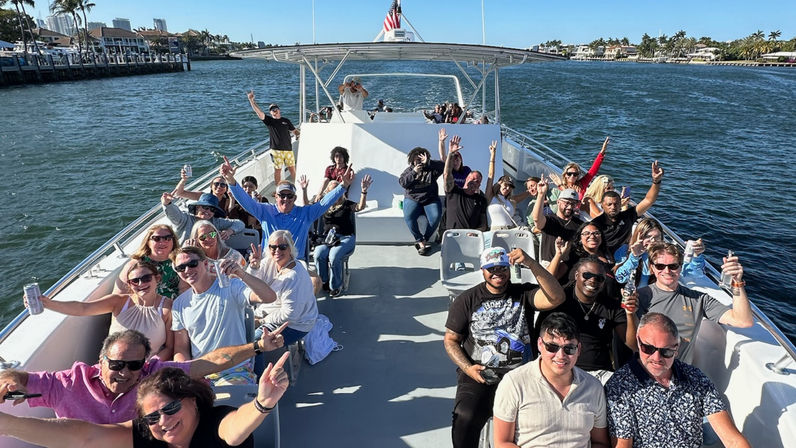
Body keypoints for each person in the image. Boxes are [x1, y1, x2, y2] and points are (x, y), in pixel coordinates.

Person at [0, 352, 290, 448]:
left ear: (191, 400)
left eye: (170, 408)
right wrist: (8, 424)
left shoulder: (217, 421)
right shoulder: (149, 434)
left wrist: (262, 403)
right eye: (151, 417)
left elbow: (236, 429)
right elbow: (84, 436)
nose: (162, 422)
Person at [0, 328, 285, 424]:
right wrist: (6, 379)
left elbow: (209, 362)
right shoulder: (67, 383)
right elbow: (20, 378)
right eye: (116, 364)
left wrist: (258, 346)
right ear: (100, 361)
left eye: (134, 365)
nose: (124, 373)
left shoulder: (155, 376)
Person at [444, 246, 565, 448]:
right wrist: (468, 368)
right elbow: (450, 340)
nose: (497, 273)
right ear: (482, 270)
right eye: (491, 269)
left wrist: (531, 263)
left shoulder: (523, 293)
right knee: (464, 418)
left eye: (502, 268)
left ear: (509, 268)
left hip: (523, 375)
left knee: (540, 422)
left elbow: (556, 298)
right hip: (480, 374)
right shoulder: (466, 300)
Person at [605, 313, 751, 448]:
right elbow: (622, 445)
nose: (656, 358)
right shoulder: (619, 387)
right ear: (638, 342)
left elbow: (733, 440)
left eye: (666, 352)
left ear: (677, 348)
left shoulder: (696, 378)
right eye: (648, 348)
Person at [493, 313, 610, 448]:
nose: (561, 356)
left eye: (569, 348)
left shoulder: (593, 387)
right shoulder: (514, 383)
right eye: (552, 347)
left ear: (579, 350)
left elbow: (600, 442)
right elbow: (502, 442)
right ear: (540, 344)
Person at [170, 246, 278, 384]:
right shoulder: (179, 303)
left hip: (234, 369)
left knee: (225, 403)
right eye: (181, 268)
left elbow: (269, 297)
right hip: (200, 372)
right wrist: (185, 372)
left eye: (192, 264)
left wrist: (241, 274)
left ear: (205, 263)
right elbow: (181, 348)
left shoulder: (231, 286)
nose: (187, 270)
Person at [636, 242, 753, 363]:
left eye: (673, 266)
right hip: (646, 369)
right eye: (660, 266)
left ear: (681, 267)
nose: (667, 270)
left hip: (679, 374)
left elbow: (743, 320)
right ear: (652, 268)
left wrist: (737, 283)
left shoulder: (699, 300)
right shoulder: (640, 297)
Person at [221, 155, 355, 260]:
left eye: (289, 196)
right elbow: (246, 202)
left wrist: (342, 186)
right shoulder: (265, 211)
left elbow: (324, 203)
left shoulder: (306, 214)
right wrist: (230, 180)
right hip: (270, 261)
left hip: (295, 263)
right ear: (276, 197)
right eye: (282, 195)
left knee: (315, 282)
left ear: (295, 198)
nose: (286, 199)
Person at [37, 259, 174, 360]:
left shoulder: (168, 308)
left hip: (146, 370)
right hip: (111, 365)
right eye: (135, 281)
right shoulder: (118, 302)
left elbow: (170, 347)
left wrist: (149, 366)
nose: (141, 284)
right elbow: (83, 308)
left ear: (157, 278)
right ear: (130, 285)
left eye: (146, 278)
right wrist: (48, 303)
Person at [536, 257, 637, 381]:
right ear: (576, 275)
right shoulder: (560, 299)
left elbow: (633, 344)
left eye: (599, 278)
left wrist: (630, 314)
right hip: (562, 368)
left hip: (598, 373)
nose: (593, 280)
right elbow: (540, 335)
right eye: (587, 275)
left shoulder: (611, 306)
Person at [247, 230, 319, 344]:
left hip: (295, 324)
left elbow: (290, 314)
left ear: (290, 248)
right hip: (267, 312)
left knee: (254, 343)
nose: (277, 251)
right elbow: (250, 287)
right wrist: (254, 268)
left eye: (282, 247)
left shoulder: (295, 276)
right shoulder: (268, 262)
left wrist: (261, 321)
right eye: (273, 247)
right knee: (234, 329)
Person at [313, 176, 372, 297]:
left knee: (334, 256)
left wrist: (364, 191)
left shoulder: (347, 204)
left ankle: (335, 285)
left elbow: (360, 207)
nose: (336, 193)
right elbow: (309, 207)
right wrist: (305, 190)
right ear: (328, 193)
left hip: (345, 237)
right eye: (332, 191)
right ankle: (323, 280)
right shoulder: (324, 205)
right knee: (318, 254)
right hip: (328, 239)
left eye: (338, 190)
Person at [591, 160, 665, 256]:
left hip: (625, 256)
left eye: (616, 204)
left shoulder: (627, 216)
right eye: (609, 204)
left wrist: (656, 181)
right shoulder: (596, 224)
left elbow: (648, 200)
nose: (613, 207)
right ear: (602, 206)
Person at [114, 224, 185, 300]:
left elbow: (184, 289)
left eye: (167, 238)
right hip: (146, 308)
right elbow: (119, 297)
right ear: (148, 242)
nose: (162, 242)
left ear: (173, 241)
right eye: (156, 238)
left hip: (175, 305)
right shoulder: (134, 265)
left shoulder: (179, 261)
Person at [398, 145, 445, 255]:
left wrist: (428, 163)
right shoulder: (409, 170)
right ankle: (419, 240)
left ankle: (424, 239)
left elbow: (443, 166)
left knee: (436, 217)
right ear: (412, 160)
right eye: (417, 160)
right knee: (409, 217)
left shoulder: (432, 168)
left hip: (430, 199)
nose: (419, 162)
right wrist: (414, 172)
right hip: (413, 198)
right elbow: (402, 182)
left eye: (421, 159)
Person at [247, 90, 300, 185]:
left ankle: (297, 186)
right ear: (270, 113)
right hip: (276, 151)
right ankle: (278, 188)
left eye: (275, 108)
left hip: (288, 149)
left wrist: (298, 134)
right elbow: (259, 113)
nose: (274, 110)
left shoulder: (286, 121)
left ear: (279, 110)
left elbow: (294, 130)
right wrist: (252, 101)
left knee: (292, 169)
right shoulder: (269, 121)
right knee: (278, 171)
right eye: (272, 109)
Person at [530, 175, 584, 265]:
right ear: (558, 202)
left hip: (570, 265)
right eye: (566, 203)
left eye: (573, 204)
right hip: (549, 264)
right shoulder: (550, 220)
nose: (570, 207)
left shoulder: (579, 224)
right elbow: (536, 219)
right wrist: (541, 194)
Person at [161, 191, 245, 243]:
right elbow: (173, 214)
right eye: (205, 207)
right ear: (197, 207)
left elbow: (239, 224)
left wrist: (229, 231)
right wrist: (167, 204)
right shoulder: (184, 219)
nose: (208, 211)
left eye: (212, 209)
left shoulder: (216, 222)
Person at [442, 134, 487, 231]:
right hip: (452, 236)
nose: (474, 182)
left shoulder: (481, 200)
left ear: (479, 185)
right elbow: (446, 174)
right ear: (466, 178)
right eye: (472, 178)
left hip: (471, 238)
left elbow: (484, 225)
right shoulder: (453, 192)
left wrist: (474, 233)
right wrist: (450, 153)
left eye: (477, 181)